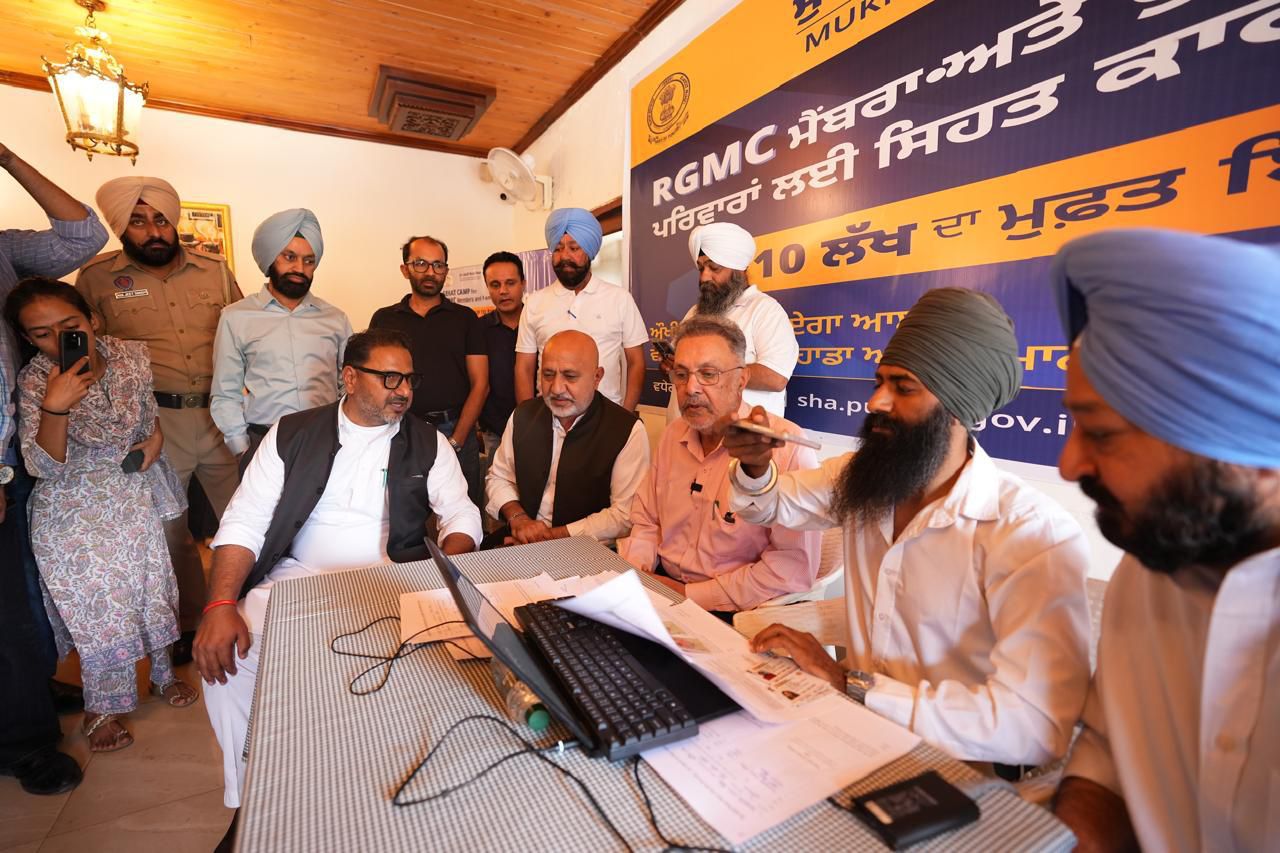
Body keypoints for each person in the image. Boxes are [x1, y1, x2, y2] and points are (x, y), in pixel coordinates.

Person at [724, 287, 1092, 768]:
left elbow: (1035, 726)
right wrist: (755, 464)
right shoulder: (864, 478)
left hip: (953, 767)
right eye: (880, 381)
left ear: (959, 405)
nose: (877, 400)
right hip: (844, 729)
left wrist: (851, 686)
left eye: (904, 387)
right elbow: (769, 504)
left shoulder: (1029, 533)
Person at [1047, 229, 1280, 852]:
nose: (1069, 465)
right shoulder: (1149, 572)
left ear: (1252, 452)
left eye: (1100, 433)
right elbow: (1108, 751)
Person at [195, 327, 482, 810]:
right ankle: (253, 799)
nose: (403, 391)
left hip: (391, 578)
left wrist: (443, 571)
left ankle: (369, 789)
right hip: (295, 575)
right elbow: (244, 521)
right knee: (228, 659)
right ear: (349, 377)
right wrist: (220, 604)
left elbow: (461, 514)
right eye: (389, 378)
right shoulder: (292, 433)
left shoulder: (427, 442)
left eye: (409, 379)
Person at [6, 277, 198, 753]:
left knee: (153, 590)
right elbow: (43, 466)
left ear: (92, 319)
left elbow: (146, 412)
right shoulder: (35, 381)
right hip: (73, 509)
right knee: (99, 611)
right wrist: (56, 407)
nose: (59, 340)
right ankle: (102, 706)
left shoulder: (130, 355)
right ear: (28, 338)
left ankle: (161, 674)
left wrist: (155, 436)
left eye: (69, 325)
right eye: (42, 333)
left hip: (133, 495)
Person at [77, 176, 243, 663]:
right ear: (120, 226)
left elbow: (245, 332)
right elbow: (87, 352)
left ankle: (250, 604)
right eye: (138, 221)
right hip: (154, 423)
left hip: (220, 415)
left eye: (161, 220)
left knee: (244, 516)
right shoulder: (97, 278)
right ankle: (189, 623)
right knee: (173, 533)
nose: (153, 231)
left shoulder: (215, 271)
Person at [0, 141, 106, 793]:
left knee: (22, 598)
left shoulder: (4, 250)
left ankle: (27, 699)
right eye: (41, 331)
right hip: (26, 455)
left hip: (14, 460)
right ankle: (23, 740)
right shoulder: (42, 379)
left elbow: (83, 234)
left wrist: (9, 159)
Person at [620, 316, 821, 612]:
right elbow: (647, 520)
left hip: (736, 609)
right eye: (681, 374)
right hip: (658, 587)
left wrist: (689, 595)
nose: (691, 388)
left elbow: (790, 568)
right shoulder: (674, 434)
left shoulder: (785, 446)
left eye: (708, 374)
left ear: (741, 380)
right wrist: (637, 575)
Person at [210, 208, 351, 467]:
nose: (299, 268)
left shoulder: (335, 319)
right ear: (271, 258)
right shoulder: (236, 317)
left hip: (325, 442)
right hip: (263, 443)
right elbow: (225, 392)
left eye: (309, 261)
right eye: (289, 257)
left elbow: (350, 384)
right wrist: (242, 450)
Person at [485, 330, 648, 548]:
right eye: (548, 375)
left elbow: (624, 515)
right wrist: (519, 519)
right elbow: (499, 477)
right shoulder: (523, 415)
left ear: (597, 377)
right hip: (521, 540)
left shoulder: (626, 430)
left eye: (570, 376)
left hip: (589, 552)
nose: (556, 388)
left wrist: (549, 537)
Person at [369, 235, 487, 507]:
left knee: (462, 511)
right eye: (421, 263)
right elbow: (375, 379)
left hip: (456, 428)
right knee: (403, 512)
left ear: (446, 270)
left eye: (438, 265)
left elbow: (481, 384)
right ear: (405, 269)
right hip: (400, 428)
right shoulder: (385, 319)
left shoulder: (465, 318)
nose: (430, 272)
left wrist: (456, 440)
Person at [515, 208, 647, 410]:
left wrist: (625, 416)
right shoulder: (534, 303)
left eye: (574, 248)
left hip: (606, 416)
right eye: (558, 249)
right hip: (549, 416)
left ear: (590, 252)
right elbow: (524, 368)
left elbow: (636, 363)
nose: (564, 256)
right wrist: (528, 418)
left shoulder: (620, 299)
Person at [663, 223, 797, 420]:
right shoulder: (693, 313)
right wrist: (672, 366)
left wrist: (710, 372)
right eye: (701, 268)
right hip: (683, 430)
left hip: (740, 434)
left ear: (739, 270)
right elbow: (679, 368)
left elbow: (775, 378)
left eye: (714, 268)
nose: (704, 277)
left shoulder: (765, 310)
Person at [478, 251, 525, 471]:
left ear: (523, 283)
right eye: (495, 285)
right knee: (497, 489)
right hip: (496, 432)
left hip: (543, 428)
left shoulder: (540, 324)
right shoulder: (478, 330)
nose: (503, 291)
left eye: (510, 283)